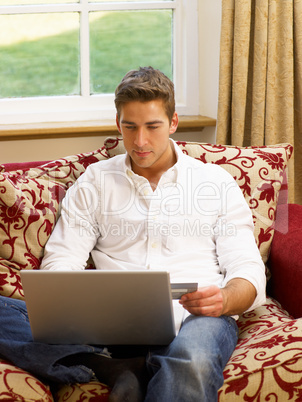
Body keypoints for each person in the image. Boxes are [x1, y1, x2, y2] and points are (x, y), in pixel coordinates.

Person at [0, 67, 266, 401]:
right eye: (130, 127)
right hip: (110, 323)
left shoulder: (215, 183)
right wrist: (70, 307)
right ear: (118, 124)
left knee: (192, 361)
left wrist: (225, 299)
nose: (140, 141)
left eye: (153, 127)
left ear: (173, 123)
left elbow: (247, 268)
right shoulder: (95, 183)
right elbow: (62, 261)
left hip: (195, 319)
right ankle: (113, 366)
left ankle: (121, 365)